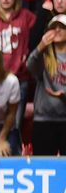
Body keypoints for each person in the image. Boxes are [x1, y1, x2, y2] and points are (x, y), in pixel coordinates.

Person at [28, 14, 66, 154]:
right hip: (44, 119)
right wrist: (40, 46)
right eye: (53, 27)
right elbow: (30, 67)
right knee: (42, 165)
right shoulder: (44, 56)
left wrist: (64, 95)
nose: (57, 30)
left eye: (61, 27)